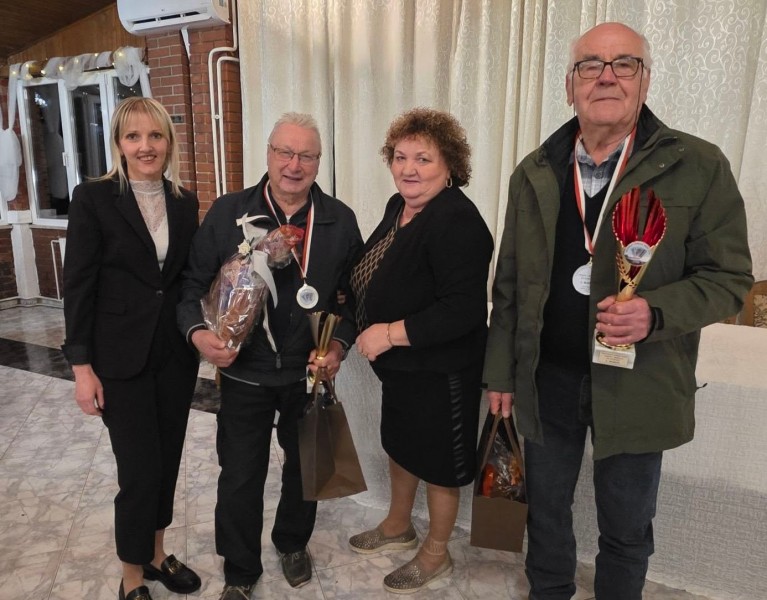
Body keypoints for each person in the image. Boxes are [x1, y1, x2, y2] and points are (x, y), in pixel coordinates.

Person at [483, 22, 753, 600]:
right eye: (591, 65)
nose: (606, 76)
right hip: (547, 380)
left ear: (644, 81)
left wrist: (655, 313)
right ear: (570, 86)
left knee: (627, 527)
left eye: (623, 63)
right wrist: (500, 374)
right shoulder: (534, 170)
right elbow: (508, 287)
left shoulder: (698, 165)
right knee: (544, 514)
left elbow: (729, 279)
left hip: (639, 380)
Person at [177, 112, 362, 600]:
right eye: (285, 152)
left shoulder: (339, 220)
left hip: (308, 374)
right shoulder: (228, 212)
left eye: (306, 155)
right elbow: (191, 285)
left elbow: (353, 299)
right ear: (268, 154)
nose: (294, 165)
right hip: (245, 373)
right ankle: (240, 570)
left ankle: (292, 542)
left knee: (305, 467)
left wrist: (338, 346)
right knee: (241, 475)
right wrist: (199, 335)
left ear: (319, 162)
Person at [349, 108, 494, 594]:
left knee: (438, 463)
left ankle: (436, 552)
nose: (408, 169)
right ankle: (397, 526)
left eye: (423, 159)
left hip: (441, 370)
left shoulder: (457, 221)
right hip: (403, 369)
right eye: (400, 156)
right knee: (401, 443)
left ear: (450, 165)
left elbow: (462, 311)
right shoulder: (400, 205)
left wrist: (388, 333)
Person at [62, 97, 202, 600]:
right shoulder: (93, 198)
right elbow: (78, 285)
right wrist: (81, 368)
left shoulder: (184, 201)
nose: (146, 146)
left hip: (174, 357)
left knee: (166, 462)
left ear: (169, 141)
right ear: (119, 144)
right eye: (133, 136)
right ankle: (131, 576)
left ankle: (156, 554)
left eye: (155, 135)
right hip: (119, 360)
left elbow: (184, 279)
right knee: (139, 471)